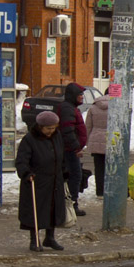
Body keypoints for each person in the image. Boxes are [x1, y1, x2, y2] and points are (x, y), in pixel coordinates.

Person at [15, 110, 68, 252]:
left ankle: (50, 238)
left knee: (53, 209)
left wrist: (64, 171)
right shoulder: (29, 139)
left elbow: (61, 155)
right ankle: (34, 239)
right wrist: (26, 173)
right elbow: (21, 161)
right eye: (48, 128)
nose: (51, 131)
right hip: (37, 181)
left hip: (54, 180)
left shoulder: (57, 136)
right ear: (40, 127)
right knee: (36, 211)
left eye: (53, 128)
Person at [57, 83, 88, 216]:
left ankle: (70, 204)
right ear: (73, 95)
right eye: (80, 94)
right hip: (69, 150)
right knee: (74, 176)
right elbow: (67, 131)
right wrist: (76, 147)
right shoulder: (67, 108)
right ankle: (71, 205)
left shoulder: (70, 108)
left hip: (70, 149)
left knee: (74, 176)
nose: (82, 97)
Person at [84, 94, 110, 198]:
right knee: (112, 167)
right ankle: (110, 189)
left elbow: (88, 126)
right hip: (111, 140)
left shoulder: (93, 107)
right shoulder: (116, 106)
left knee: (99, 168)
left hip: (96, 139)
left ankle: (100, 192)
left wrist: (87, 141)